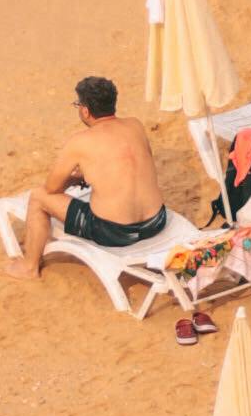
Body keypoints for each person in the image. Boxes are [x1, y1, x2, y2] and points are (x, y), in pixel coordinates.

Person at [12, 77, 172, 277]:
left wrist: (74, 179)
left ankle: (29, 266)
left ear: (85, 110)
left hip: (116, 233)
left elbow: (52, 188)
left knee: (38, 197)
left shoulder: (80, 142)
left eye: (78, 104)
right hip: (156, 222)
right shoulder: (135, 125)